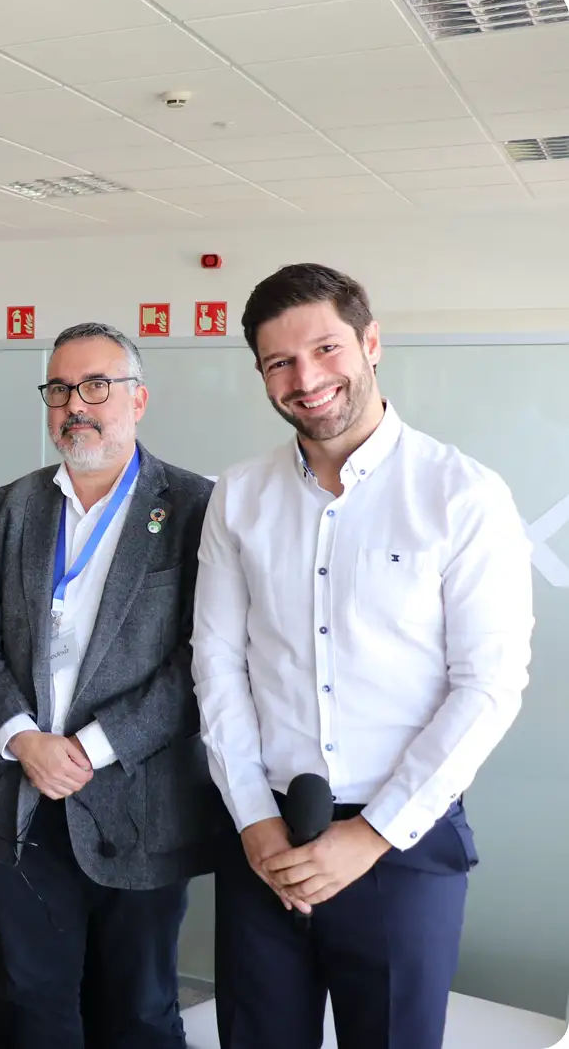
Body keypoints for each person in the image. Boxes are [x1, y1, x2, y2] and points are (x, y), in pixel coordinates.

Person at [192, 264, 534, 1049]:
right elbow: (217, 666)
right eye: (280, 362)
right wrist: (253, 821)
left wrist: (374, 833)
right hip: (265, 836)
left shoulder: (461, 494)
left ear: (371, 342)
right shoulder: (238, 496)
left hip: (401, 843)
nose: (306, 379)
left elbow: (488, 686)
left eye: (326, 349)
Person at [0, 323, 225, 1049]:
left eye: (96, 386)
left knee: (140, 1012)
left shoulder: (195, 506)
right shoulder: (16, 504)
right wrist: (22, 738)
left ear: (138, 399)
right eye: (60, 389)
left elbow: (202, 660)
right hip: (25, 802)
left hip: (139, 804)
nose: (76, 404)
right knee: (39, 1006)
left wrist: (91, 748)